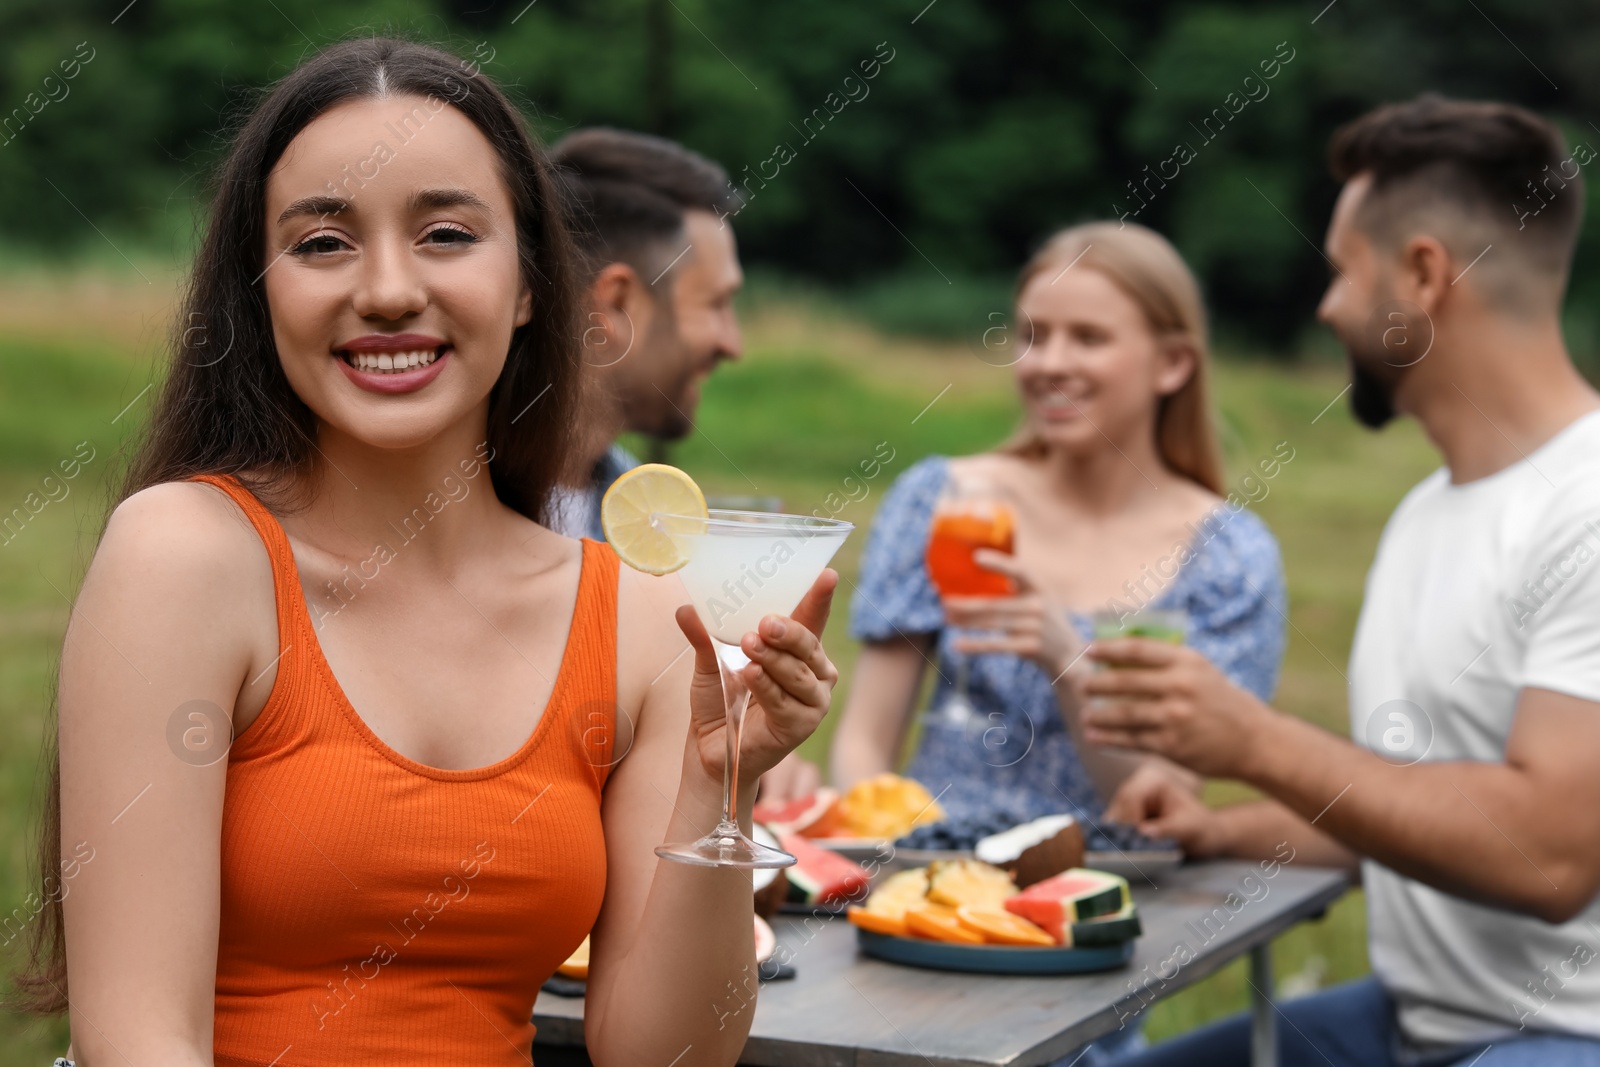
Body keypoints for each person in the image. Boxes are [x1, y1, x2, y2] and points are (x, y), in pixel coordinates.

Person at [19, 39, 838, 1067]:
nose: (390, 289)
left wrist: (724, 785)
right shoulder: (187, 558)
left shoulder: (639, 614)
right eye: (322, 243)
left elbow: (663, 1053)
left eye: (446, 232)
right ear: (260, 291)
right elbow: (138, 1039)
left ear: (537, 283)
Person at [1088, 96, 1600, 1066]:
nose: (1324, 307)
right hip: (1414, 1018)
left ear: (1421, 272)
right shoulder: (1425, 511)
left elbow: (1549, 855)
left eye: (1339, 271)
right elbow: (1404, 804)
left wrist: (1254, 740)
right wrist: (1213, 828)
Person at [828, 221, 1288, 829]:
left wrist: (1067, 658)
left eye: (1089, 339)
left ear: (1172, 364)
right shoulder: (943, 500)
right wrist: (889, 853)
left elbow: (1158, 799)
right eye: (1033, 336)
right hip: (938, 877)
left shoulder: (1228, 557)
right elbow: (863, 744)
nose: (1050, 364)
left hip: (1117, 888)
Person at [545, 127, 745, 540]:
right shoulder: (434, 511)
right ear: (617, 304)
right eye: (715, 304)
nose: (733, 345)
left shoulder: (656, 531)